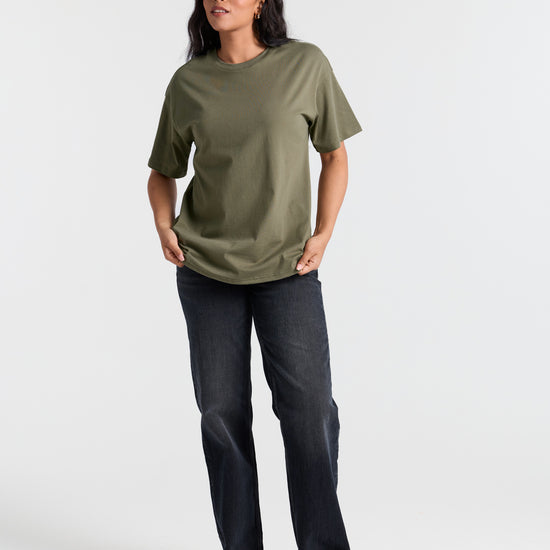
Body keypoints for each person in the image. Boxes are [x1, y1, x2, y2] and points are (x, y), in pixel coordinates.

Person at [146, 1, 363, 548]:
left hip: (288, 268)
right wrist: (164, 226)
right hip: (205, 271)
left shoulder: (305, 65)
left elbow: (334, 156)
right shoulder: (189, 82)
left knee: (309, 412)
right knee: (222, 417)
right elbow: (162, 171)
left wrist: (323, 233)